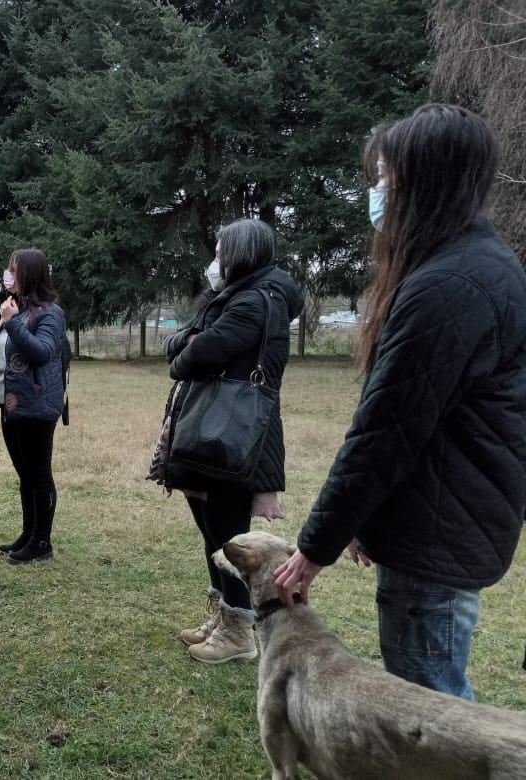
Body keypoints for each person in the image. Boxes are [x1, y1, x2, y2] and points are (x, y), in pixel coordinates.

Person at [275, 104, 526, 700]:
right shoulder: (477, 265)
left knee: (431, 713)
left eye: (385, 177)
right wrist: (367, 522)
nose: (377, 192)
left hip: (438, 537)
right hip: (443, 522)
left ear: (424, 182)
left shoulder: (451, 285)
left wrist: (314, 548)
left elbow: (385, 433)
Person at [165, 219, 303, 663]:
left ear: (239, 253)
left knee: (228, 533)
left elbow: (190, 357)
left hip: (231, 433)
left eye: (221, 248)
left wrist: (191, 342)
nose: (215, 259)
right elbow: (179, 343)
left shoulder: (255, 303)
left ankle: (239, 629)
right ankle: (223, 615)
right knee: (211, 529)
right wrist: (191, 339)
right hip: (210, 425)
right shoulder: (229, 298)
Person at [0, 248, 68, 564]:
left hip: (37, 405)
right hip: (12, 404)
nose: (8, 275)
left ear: (29, 274)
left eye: (13, 270)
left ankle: (42, 544)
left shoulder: (50, 313)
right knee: (24, 473)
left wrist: (12, 322)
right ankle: (28, 534)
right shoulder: (17, 309)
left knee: (38, 474)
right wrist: (11, 319)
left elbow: (42, 352)